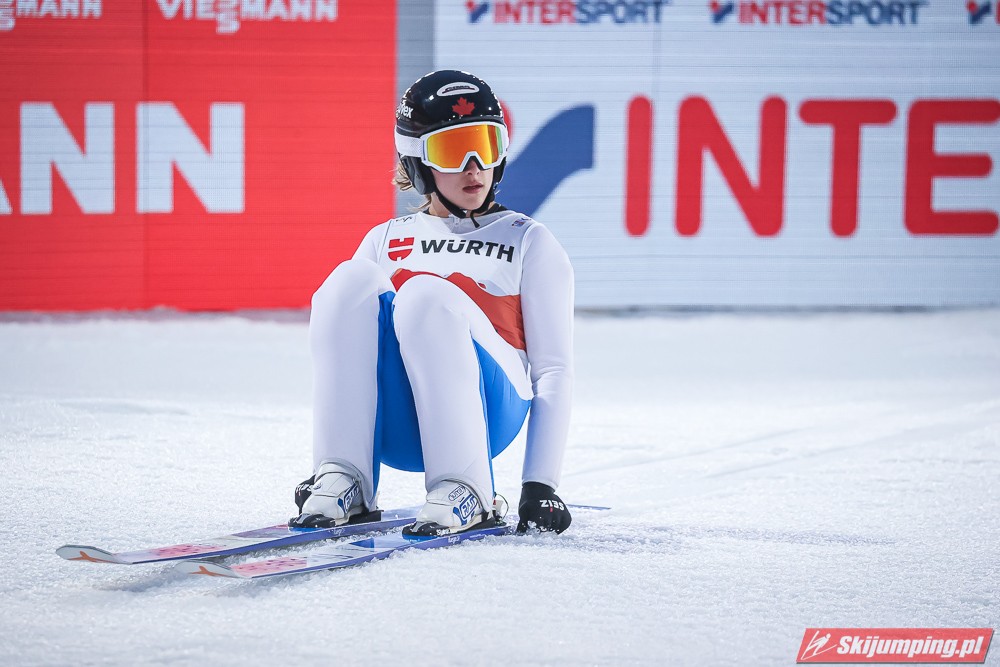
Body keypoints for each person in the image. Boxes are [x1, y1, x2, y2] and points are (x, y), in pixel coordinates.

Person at [291, 70, 575, 536]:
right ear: (417, 162)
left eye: (485, 146)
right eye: (452, 150)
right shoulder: (385, 238)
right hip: (396, 424)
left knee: (424, 294)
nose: (474, 167)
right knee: (348, 280)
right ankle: (343, 475)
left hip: (490, 411)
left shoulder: (529, 240)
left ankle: (468, 486)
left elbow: (553, 370)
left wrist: (540, 483)